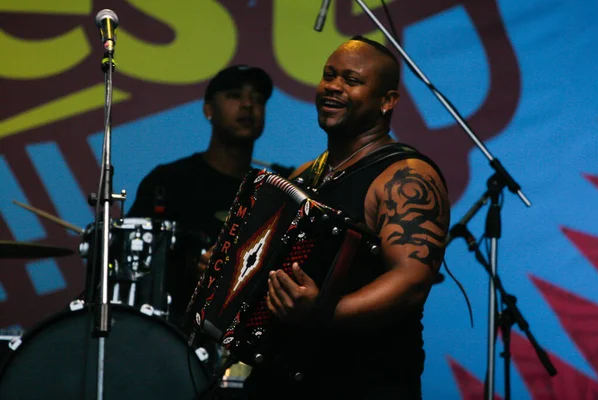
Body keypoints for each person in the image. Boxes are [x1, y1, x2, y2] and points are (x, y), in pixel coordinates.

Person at [242, 36, 451, 399]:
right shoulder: (304, 175)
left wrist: (321, 312)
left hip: (364, 384)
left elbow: (413, 280)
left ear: (387, 101)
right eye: (329, 75)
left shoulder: (406, 175)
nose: (333, 87)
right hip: (283, 378)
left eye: (351, 81)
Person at [126, 64, 273, 326]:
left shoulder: (271, 189)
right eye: (234, 95)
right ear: (208, 110)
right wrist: (194, 266)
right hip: (171, 331)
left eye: (258, 99)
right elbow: (134, 263)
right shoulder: (167, 182)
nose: (248, 105)